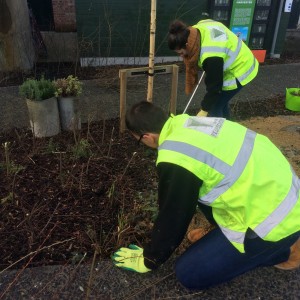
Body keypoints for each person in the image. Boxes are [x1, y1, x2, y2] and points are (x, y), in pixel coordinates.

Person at [112, 101, 300, 290]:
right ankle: (230, 237)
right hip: (285, 192)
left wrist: (151, 258)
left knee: (189, 273)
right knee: (204, 187)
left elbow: (174, 214)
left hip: (276, 222)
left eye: (138, 140)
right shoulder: (191, 122)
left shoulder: (176, 156)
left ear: (147, 137)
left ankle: (283, 250)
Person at [168, 19, 259, 119]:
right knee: (220, 103)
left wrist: (204, 109)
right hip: (234, 58)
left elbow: (214, 87)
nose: (182, 57)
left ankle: (220, 132)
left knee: (214, 107)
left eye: (181, 53)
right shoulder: (198, 28)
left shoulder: (211, 56)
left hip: (241, 68)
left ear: (187, 45)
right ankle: (229, 129)